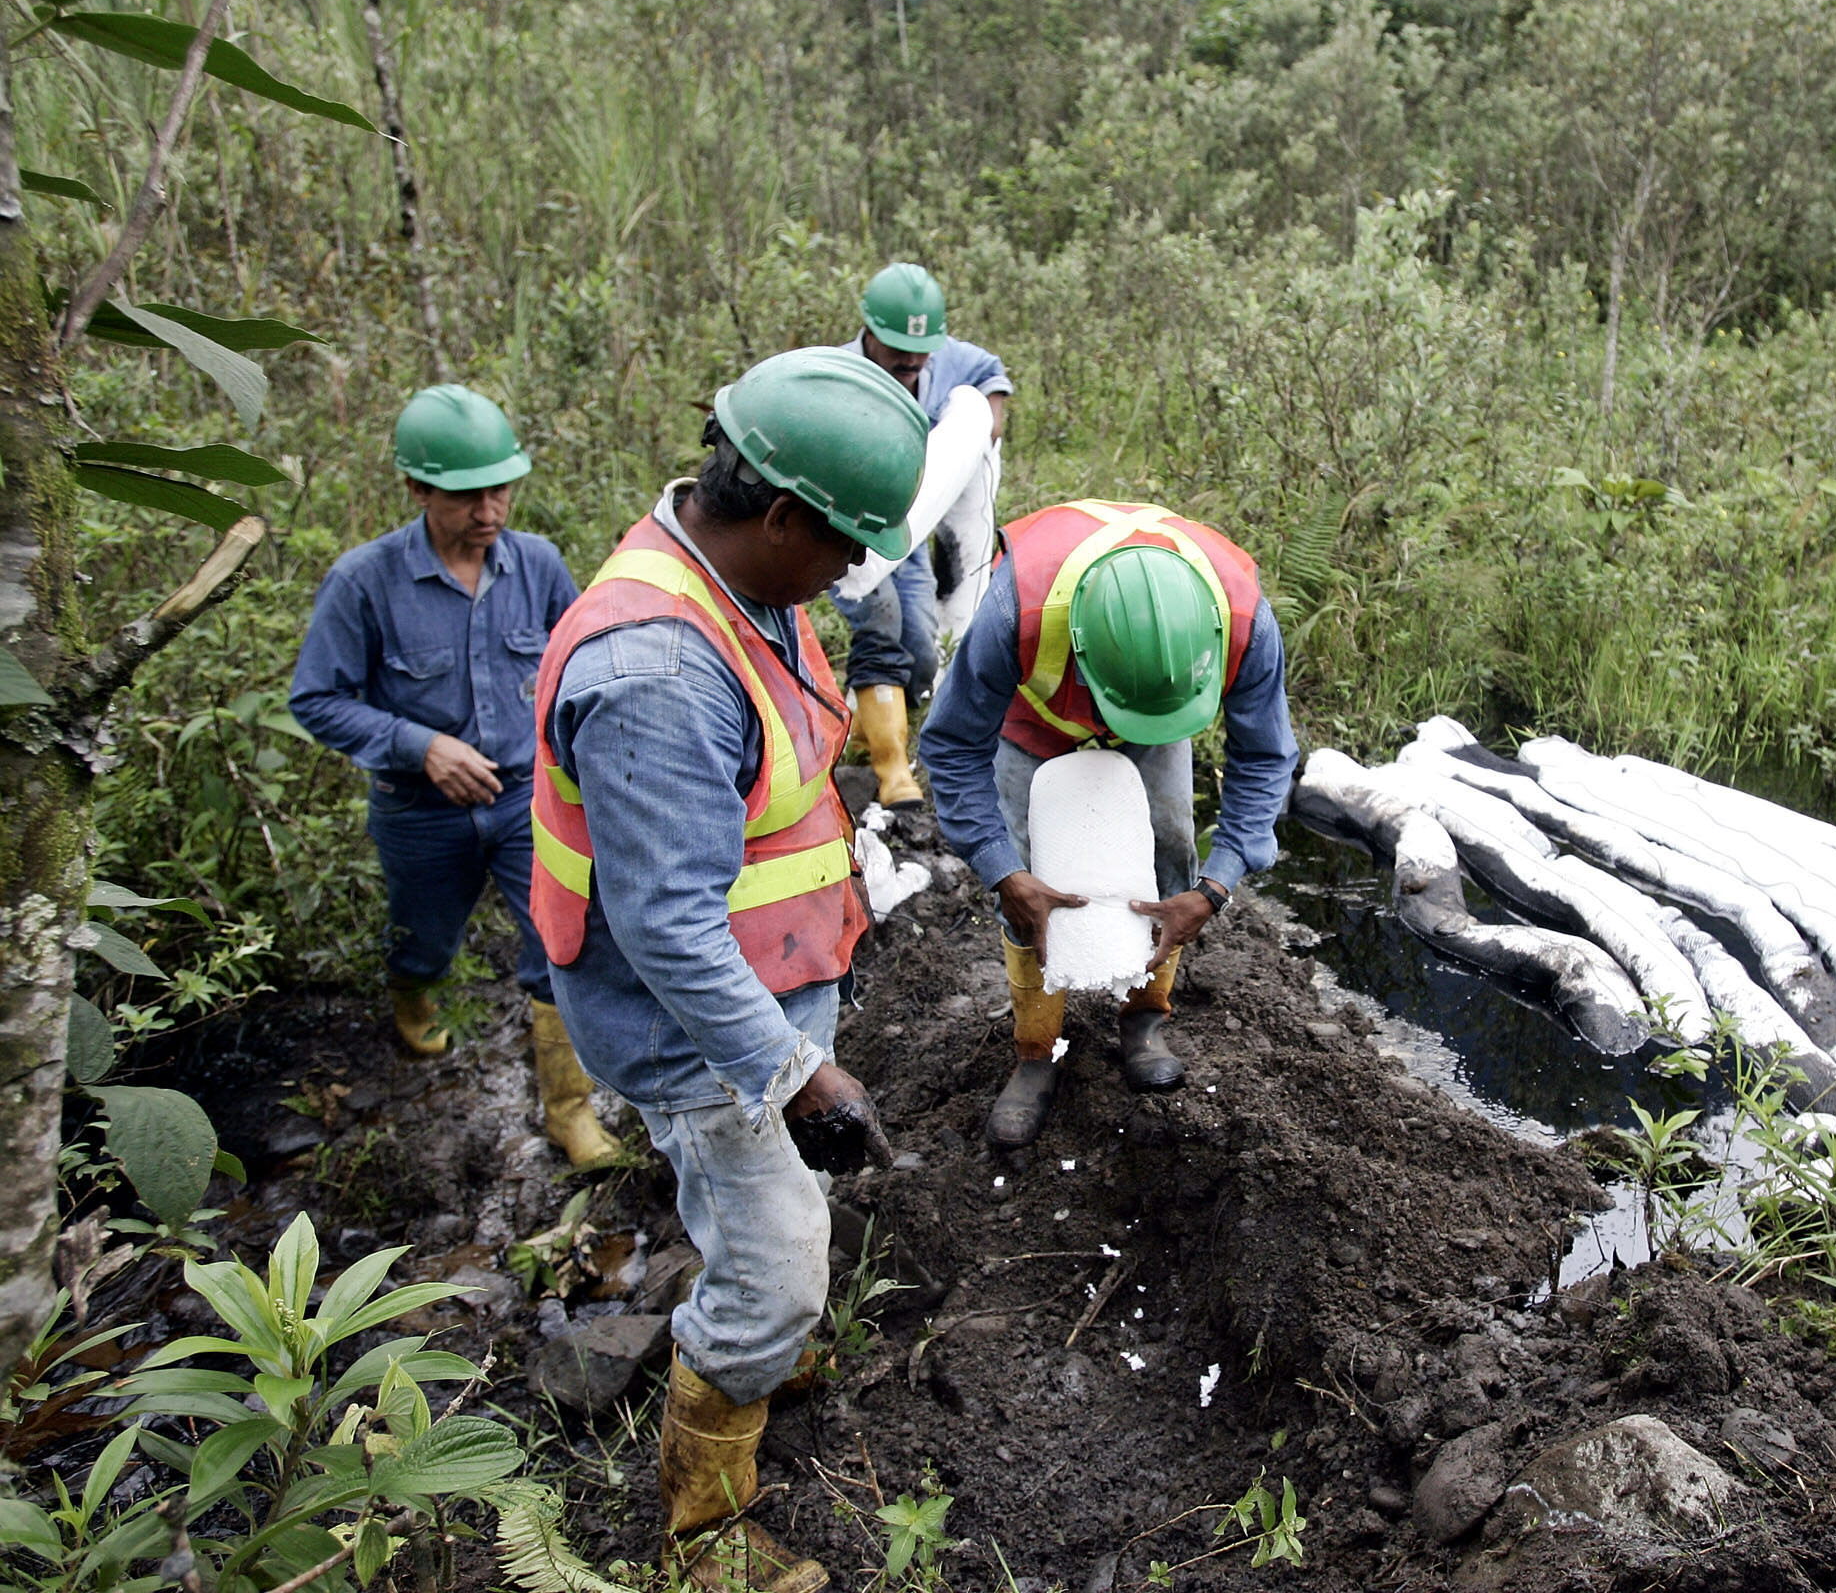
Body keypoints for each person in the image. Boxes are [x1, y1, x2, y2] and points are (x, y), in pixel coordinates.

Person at [531, 347, 923, 1591]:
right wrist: (799, 1069)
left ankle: (764, 1351)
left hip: (758, 990)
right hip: (702, 1033)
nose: (852, 574)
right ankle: (703, 1538)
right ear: (780, 516)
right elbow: (670, 931)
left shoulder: (742, 582)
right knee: (772, 1266)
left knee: (768, 1225)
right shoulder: (656, 672)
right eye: (845, 547)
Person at [290, 384, 617, 1170]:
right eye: (467, 496)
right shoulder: (364, 582)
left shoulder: (536, 566)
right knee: (424, 937)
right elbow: (316, 698)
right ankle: (413, 989)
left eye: (501, 489)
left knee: (558, 939)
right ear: (416, 488)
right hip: (419, 812)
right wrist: (418, 745)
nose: (489, 510)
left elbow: (580, 665)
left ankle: (571, 1114)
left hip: (522, 803)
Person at [918, 502, 1299, 1148]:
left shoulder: (1241, 619)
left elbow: (1266, 756)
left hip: (1161, 722)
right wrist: (999, 868)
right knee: (1030, 881)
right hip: (1029, 725)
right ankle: (1035, 1050)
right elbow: (953, 747)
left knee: (1171, 855)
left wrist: (1216, 886)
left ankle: (1144, 1016)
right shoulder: (1019, 611)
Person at [832, 261, 1012, 809]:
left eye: (920, 352)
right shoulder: (837, 374)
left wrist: (980, 426)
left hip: (905, 531)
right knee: (882, 625)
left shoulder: (951, 360)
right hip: (845, 532)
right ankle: (892, 771)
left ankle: (865, 731)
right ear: (868, 332)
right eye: (896, 351)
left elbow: (991, 385)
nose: (910, 362)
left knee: (923, 651)